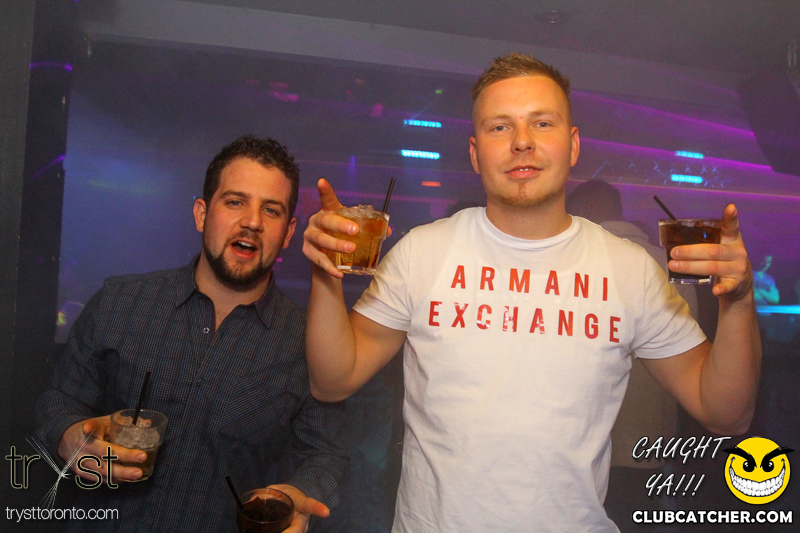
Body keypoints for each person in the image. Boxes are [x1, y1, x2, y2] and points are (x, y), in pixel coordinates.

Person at [302, 53, 760, 532]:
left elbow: (725, 414)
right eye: (500, 127)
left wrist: (738, 300)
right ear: (475, 153)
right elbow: (332, 380)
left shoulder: (630, 270)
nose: (522, 141)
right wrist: (325, 273)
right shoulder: (422, 253)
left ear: (573, 144)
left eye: (542, 123)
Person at [35, 136, 348, 533]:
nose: (252, 221)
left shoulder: (309, 342)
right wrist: (68, 437)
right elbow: (60, 399)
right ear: (201, 215)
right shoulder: (121, 301)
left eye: (271, 210)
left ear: (287, 233)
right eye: (235, 202)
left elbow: (327, 455)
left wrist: (298, 495)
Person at [566, 179, 700, 525]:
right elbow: (690, 348)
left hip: (588, 437)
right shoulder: (669, 264)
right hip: (652, 436)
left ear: (588, 209)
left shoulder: (576, 261)